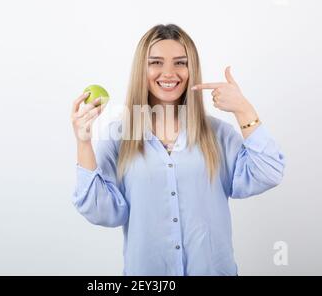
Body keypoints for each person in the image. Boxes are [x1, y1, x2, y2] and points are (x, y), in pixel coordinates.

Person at [70, 24, 286, 276]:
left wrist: (243, 110)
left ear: (191, 68)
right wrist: (83, 141)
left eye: (180, 63)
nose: (169, 73)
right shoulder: (119, 138)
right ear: (142, 68)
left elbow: (269, 173)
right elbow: (101, 212)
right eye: (156, 62)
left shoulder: (218, 135)